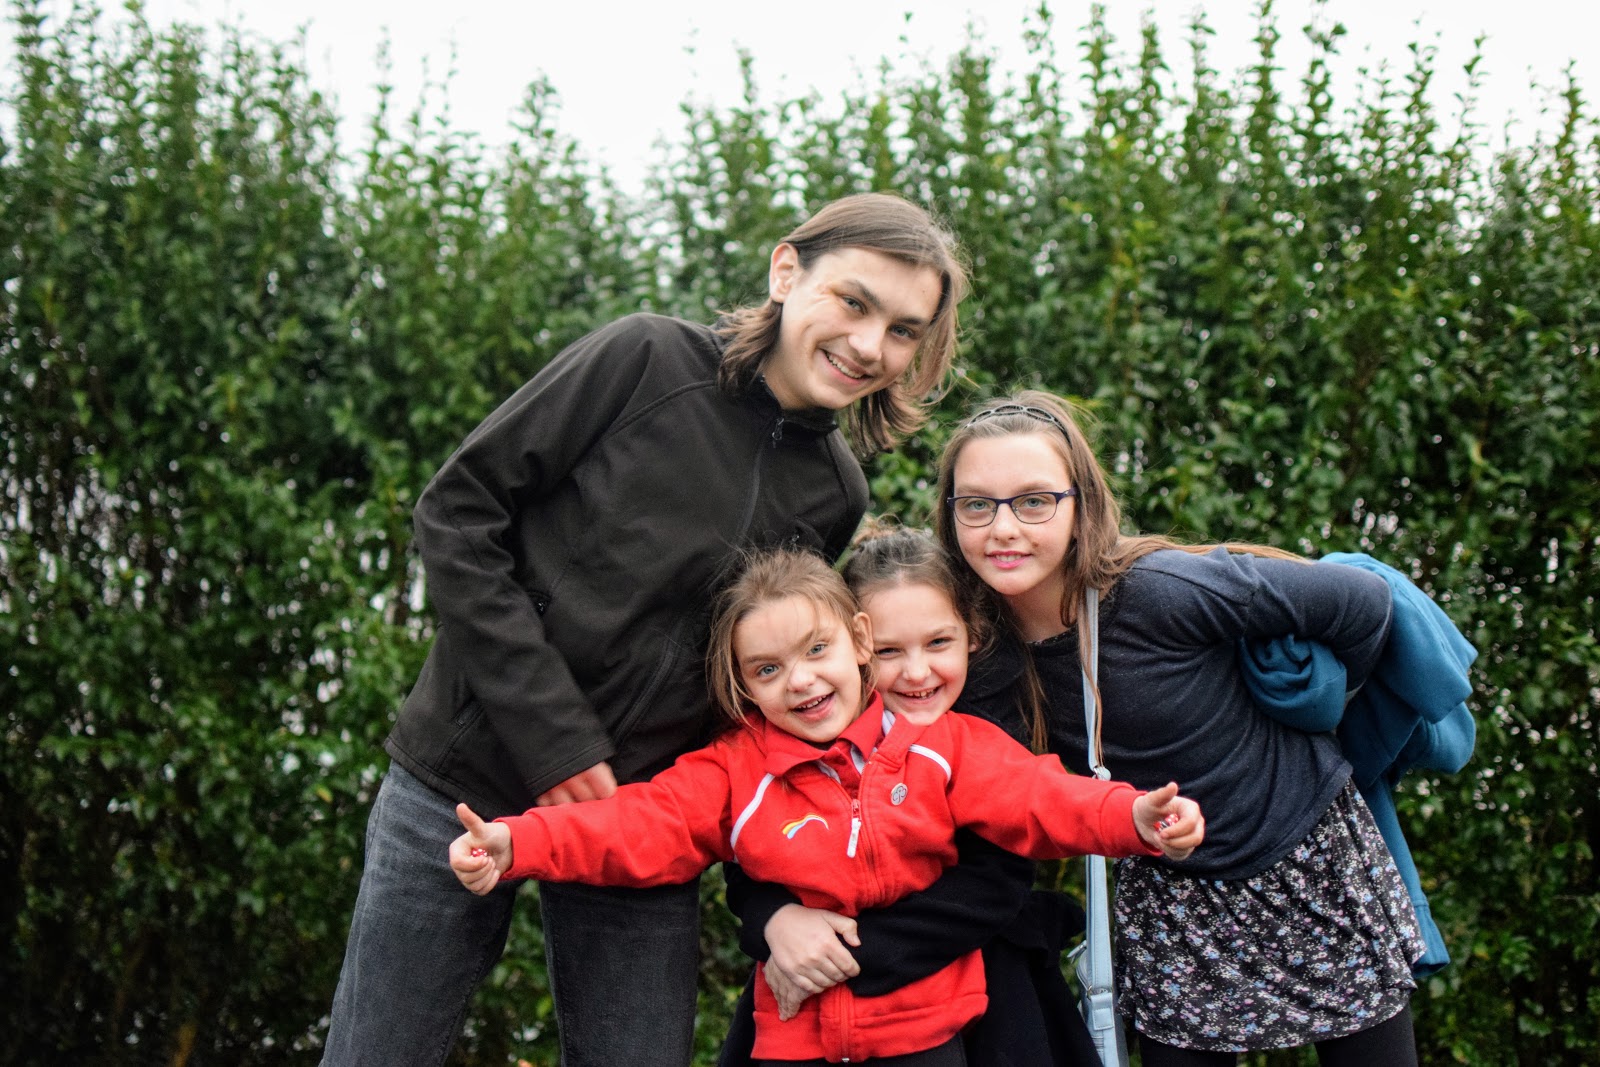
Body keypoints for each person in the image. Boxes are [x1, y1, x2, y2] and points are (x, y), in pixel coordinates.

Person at [320, 193, 968, 1067]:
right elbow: (458, 513)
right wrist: (555, 738)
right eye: (853, 302)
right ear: (786, 271)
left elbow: (765, 693)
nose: (868, 344)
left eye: (901, 330)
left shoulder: (835, 491)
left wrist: (764, 888)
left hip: (642, 825)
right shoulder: (644, 359)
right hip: (463, 782)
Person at [732, 391, 1426, 1067]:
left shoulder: (1160, 591)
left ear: (1081, 504)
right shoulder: (971, 648)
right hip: (1169, 882)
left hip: (1300, 853)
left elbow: (1362, 603)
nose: (1004, 528)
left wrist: (1315, 705)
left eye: (1034, 501)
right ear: (951, 514)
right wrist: (775, 917)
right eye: (977, 504)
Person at [450, 545, 1204, 1066]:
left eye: (817, 650)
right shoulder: (737, 770)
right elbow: (640, 822)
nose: (801, 681)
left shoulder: (945, 745)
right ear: (744, 686)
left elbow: (1041, 797)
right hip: (794, 1036)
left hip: (924, 1031)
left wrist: (1133, 817)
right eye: (767, 669)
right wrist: (518, 843)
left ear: (857, 641)